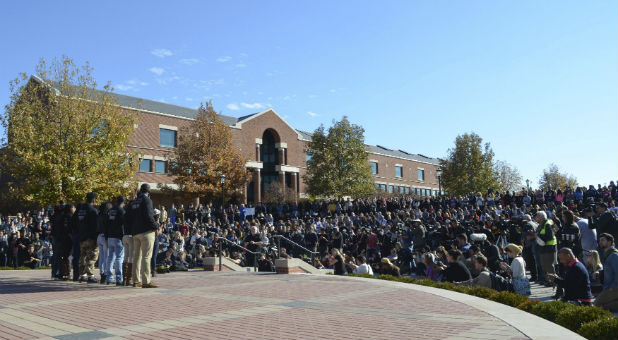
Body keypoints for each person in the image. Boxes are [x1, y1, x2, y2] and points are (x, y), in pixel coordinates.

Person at [130, 184, 159, 288]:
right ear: (149, 191)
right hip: (146, 232)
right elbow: (149, 216)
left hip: (135, 232)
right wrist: (156, 227)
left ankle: (136, 281)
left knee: (136, 257)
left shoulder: (133, 201)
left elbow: (128, 217)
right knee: (146, 256)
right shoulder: (147, 200)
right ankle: (146, 281)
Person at [74, 192, 99, 283]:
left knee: (83, 256)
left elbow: (74, 222)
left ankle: (82, 275)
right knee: (92, 256)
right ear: (94, 199)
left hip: (81, 237)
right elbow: (95, 225)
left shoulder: (80, 210)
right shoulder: (92, 210)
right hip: (90, 237)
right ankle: (90, 275)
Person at [594, 233, 618, 311]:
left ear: (610, 242)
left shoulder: (614, 255)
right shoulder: (608, 254)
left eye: (603, 240)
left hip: (613, 287)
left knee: (596, 305)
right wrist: (599, 272)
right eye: (599, 240)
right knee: (601, 305)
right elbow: (609, 270)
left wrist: (613, 287)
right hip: (608, 286)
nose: (600, 242)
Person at [105, 196, 126, 285]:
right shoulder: (122, 211)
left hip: (110, 236)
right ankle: (119, 278)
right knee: (119, 258)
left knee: (110, 258)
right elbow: (123, 225)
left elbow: (106, 224)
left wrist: (106, 237)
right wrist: (123, 236)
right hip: (118, 237)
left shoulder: (110, 211)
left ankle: (109, 278)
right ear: (123, 202)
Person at [535, 211, 557, 287]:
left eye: (537, 216)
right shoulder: (542, 224)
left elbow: (549, 236)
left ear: (541, 217)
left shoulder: (547, 223)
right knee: (544, 265)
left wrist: (539, 237)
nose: (536, 217)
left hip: (549, 247)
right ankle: (547, 280)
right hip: (544, 247)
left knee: (549, 265)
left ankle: (553, 281)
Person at [96, 201, 112, 284]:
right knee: (107, 257)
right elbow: (107, 227)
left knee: (101, 257)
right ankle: (105, 275)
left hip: (99, 236)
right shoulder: (107, 216)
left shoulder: (99, 215)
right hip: (105, 237)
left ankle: (102, 274)